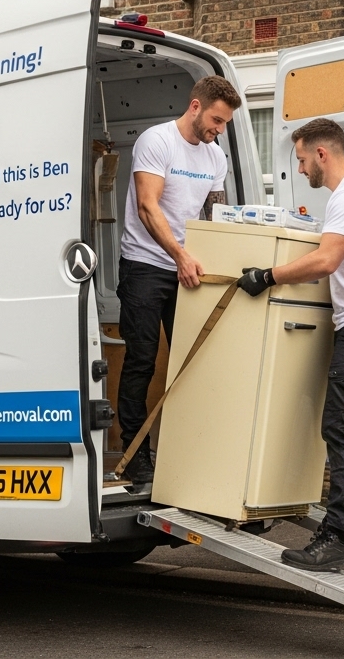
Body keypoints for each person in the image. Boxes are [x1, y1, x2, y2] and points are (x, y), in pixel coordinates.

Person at [236, 117, 344, 572]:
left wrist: (266, 276)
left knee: (340, 427)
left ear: (321, 154)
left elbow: (328, 260)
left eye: (300, 159)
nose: (299, 170)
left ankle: (338, 536)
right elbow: (334, 249)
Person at [115, 75, 242, 485]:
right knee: (143, 359)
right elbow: (147, 207)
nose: (219, 130)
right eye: (217, 120)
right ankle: (137, 459)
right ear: (195, 107)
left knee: (194, 361)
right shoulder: (157, 142)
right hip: (146, 266)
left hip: (188, 267)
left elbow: (216, 215)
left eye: (224, 124)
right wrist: (180, 254)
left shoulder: (214, 156)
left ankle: (188, 455)